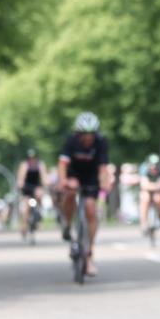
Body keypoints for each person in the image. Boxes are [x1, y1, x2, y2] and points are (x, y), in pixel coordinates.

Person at [58, 112, 112, 276]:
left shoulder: (101, 142)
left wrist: (105, 182)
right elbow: (62, 164)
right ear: (79, 134)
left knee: (90, 209)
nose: (89, 138)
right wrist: (63, 181)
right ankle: (67, 224)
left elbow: (103, 168)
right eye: (85, 135)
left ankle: (88, 256)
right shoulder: (71, 141)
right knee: (70, 194)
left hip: (91, 177)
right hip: (73, 174)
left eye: (91, 135)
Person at [16, 148, 49, 239]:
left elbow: (44, 176)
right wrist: (20, 183)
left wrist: (46, 182)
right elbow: (21, 177)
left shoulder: (40, 164)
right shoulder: (24, 165)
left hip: (36, 186)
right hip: (27, 188)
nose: (32, 159)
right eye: (30, 157)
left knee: (39, 194)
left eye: (33, 157)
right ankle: (24, 226)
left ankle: (39, 213)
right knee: (26, 208)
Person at [139, 154, 160, 235]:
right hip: (147, 188)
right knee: (145, 199)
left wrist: (156, 187)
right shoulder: (144, 168)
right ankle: (144, 223)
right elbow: (143, 183)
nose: (154, 168)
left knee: (159, 199)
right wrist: (153, 186)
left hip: (157, 188)